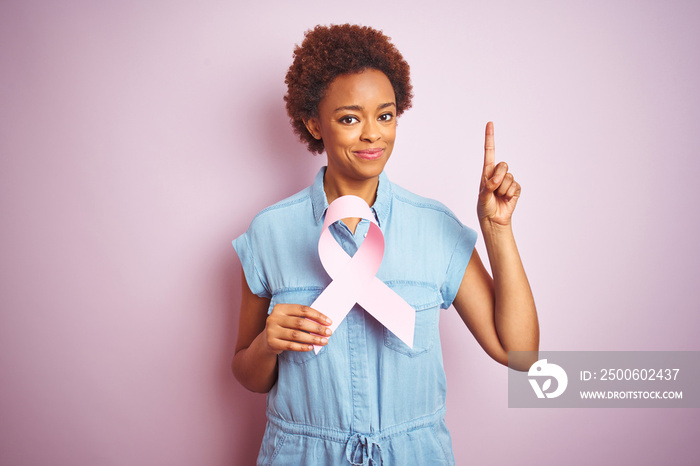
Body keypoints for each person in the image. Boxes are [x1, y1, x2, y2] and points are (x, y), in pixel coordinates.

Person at [232, 24, 538, 465]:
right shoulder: (269, 233)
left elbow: (522, 354)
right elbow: (247, 374)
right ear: (313, 123)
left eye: (386, 115)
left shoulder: (436, 229)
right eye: (350, 118)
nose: (373, 134)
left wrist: (496, 230)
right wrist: (268, 344)